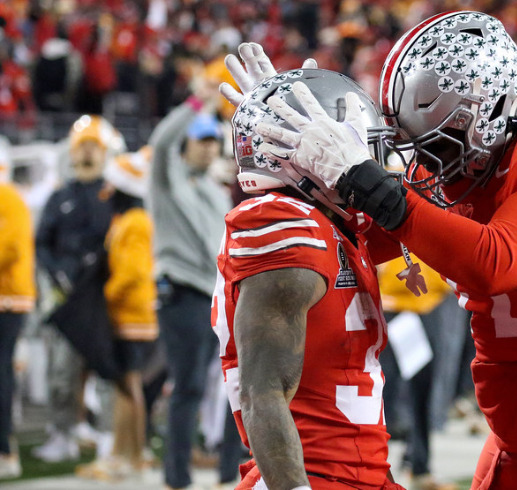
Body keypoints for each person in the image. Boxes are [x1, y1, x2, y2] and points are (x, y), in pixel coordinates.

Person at [236, 10, 517, 489]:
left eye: (444, 143)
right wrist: (290, 149)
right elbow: (350, 241)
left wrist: (361, 178)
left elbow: (495, 262)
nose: (431, 165)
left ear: (492, 108)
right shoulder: (466, 165)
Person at [214, 60, 403, 490]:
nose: (364, 159)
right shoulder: (281, 221)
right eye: (348, 143)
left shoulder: (332, 226)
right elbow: (263, 392)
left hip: (355, 473)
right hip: (311, 478)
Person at [148, 77, 242, 490]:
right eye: (200, 139)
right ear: (187, 143)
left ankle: (229, 473)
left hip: (215, 295)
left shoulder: (214, 189)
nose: (206, 146)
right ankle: (177, 478)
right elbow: (161, 141)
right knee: (186, 386)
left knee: (234, 384)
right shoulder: (166, 181)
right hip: (182, 292)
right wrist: (193, 104)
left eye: (211, 140)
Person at [33, 115, 121, 462]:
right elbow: (42, 243)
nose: (86, 154)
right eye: (81, 147)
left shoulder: (114, 195)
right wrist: (57, 276)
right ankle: (63, 434)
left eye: (92, 147)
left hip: (100, 295)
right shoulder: (60, 196)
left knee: (106, 369)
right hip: (66, 296)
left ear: (104, 152)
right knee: (60, 373)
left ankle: (109, 437)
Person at [74, 147, 158, 480]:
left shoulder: (135, 222)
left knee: (128, 386)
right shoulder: (127, 220)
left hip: (132, 314)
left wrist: (105, 297)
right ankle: (131, 454)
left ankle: (128, 455)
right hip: (129, 313)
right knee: (127, 385)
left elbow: (133, 272)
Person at [378, 255, 466, 490]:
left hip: (426, 306)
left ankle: (418, 465)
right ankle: (375, 467)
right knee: (383, 396)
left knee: (422, 393)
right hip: (391, 308)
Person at [0, 136, 36, 479]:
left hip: (8, 299)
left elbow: (7, 248)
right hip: (8, 297)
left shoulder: (7, 196)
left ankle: (5, 450)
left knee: (2, 373)